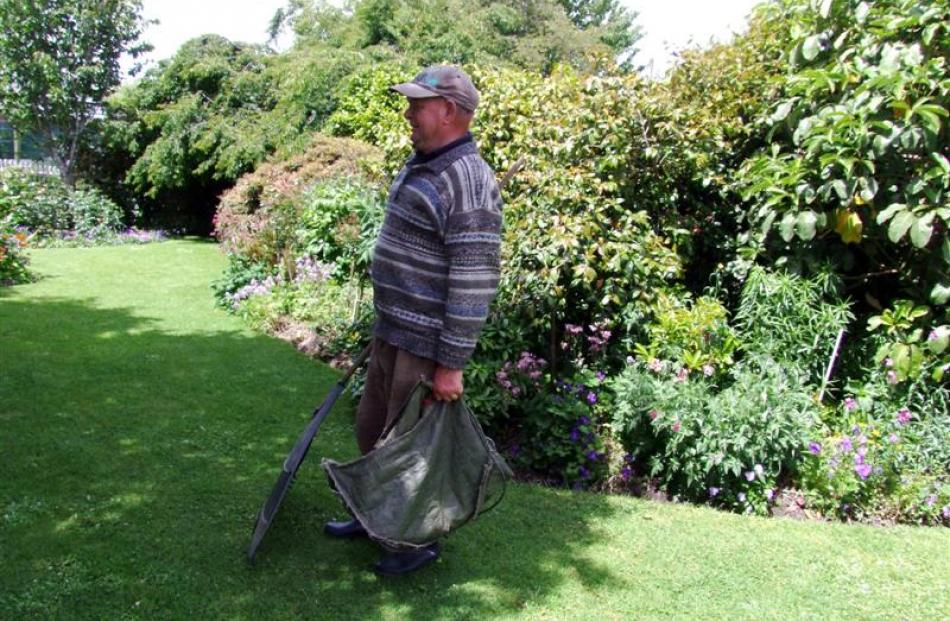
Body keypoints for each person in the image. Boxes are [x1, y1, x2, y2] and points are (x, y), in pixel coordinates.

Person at [324, 65, 503, 576]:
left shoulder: (469, 180)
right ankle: (370, 515)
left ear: (448, 111)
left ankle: (413, 544)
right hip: (392, 331)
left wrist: (450, 365)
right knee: (372, 431)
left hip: (425, 344)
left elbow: (474, 281)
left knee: (409, 451)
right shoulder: (424, 162)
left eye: (417, 105)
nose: (408, 114)